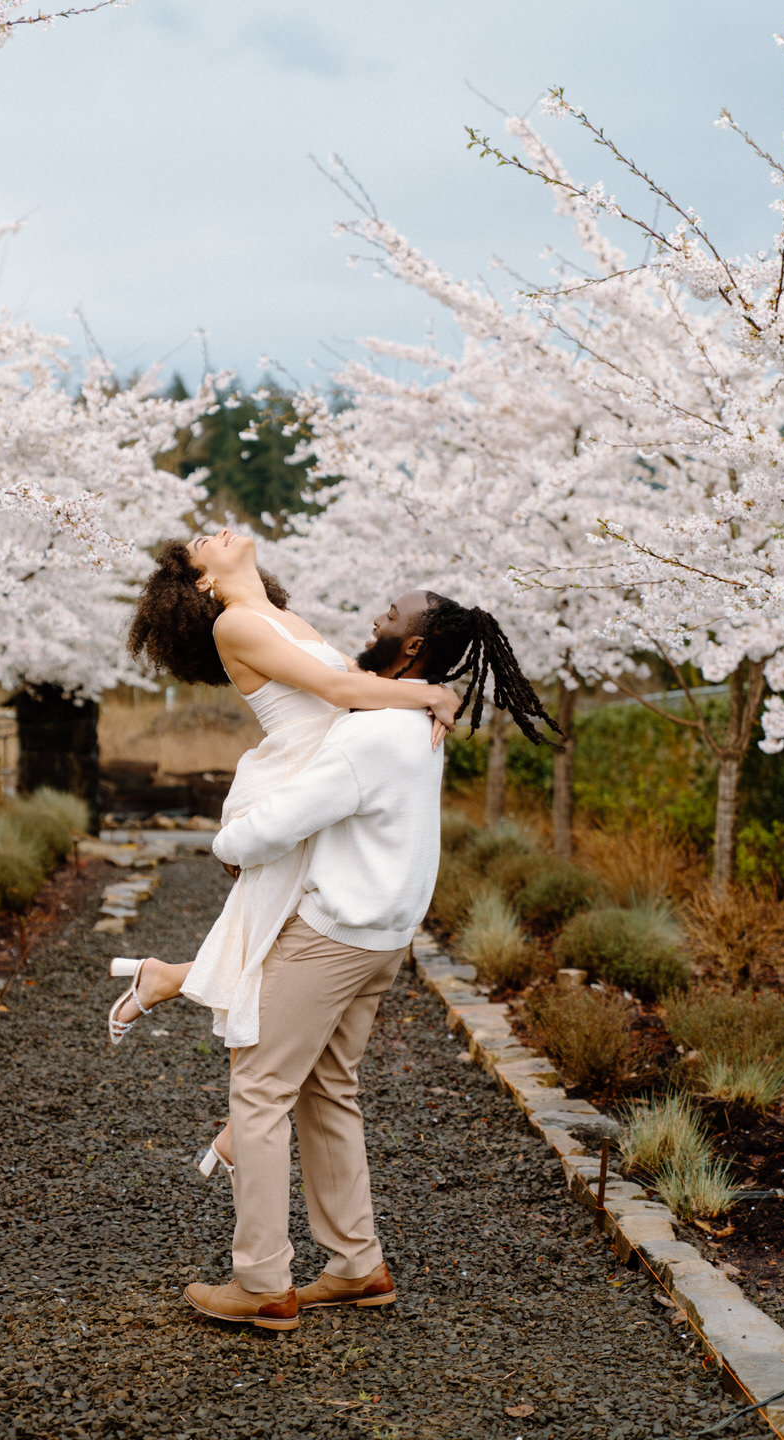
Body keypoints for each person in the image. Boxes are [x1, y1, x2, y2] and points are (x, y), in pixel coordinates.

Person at [182, 587, 559, 1329]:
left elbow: (281, 824)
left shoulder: (375, 730)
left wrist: (227, 842)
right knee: (328, 1089)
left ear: (413, 647)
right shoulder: (415, 718)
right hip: (382, 939)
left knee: (258, 1093)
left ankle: (262, 1282)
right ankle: (355, 1265)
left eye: (389, 616)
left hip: (330, 939)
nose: (372, 619)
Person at [107, 530, 460, 1173]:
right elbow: (336, 692)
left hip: (326, 780)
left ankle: (165, 986)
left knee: (277, 958)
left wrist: (437, 690)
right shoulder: (235, 624)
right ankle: (244, 1117)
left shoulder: (282, 615)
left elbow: (353, 679)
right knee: (275, 956)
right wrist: (433, 694)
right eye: (200, 543)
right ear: (203, 582)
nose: (215, 531)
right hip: (291, 784)